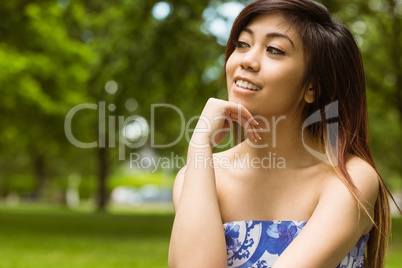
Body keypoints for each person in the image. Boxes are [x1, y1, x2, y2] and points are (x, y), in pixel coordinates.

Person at [168, 0, 398, 267]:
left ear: (312, 87)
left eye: (274, 50)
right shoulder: (196, 176)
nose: (247, 61)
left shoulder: (349, 178)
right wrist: (199, 146)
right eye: (242, 44)